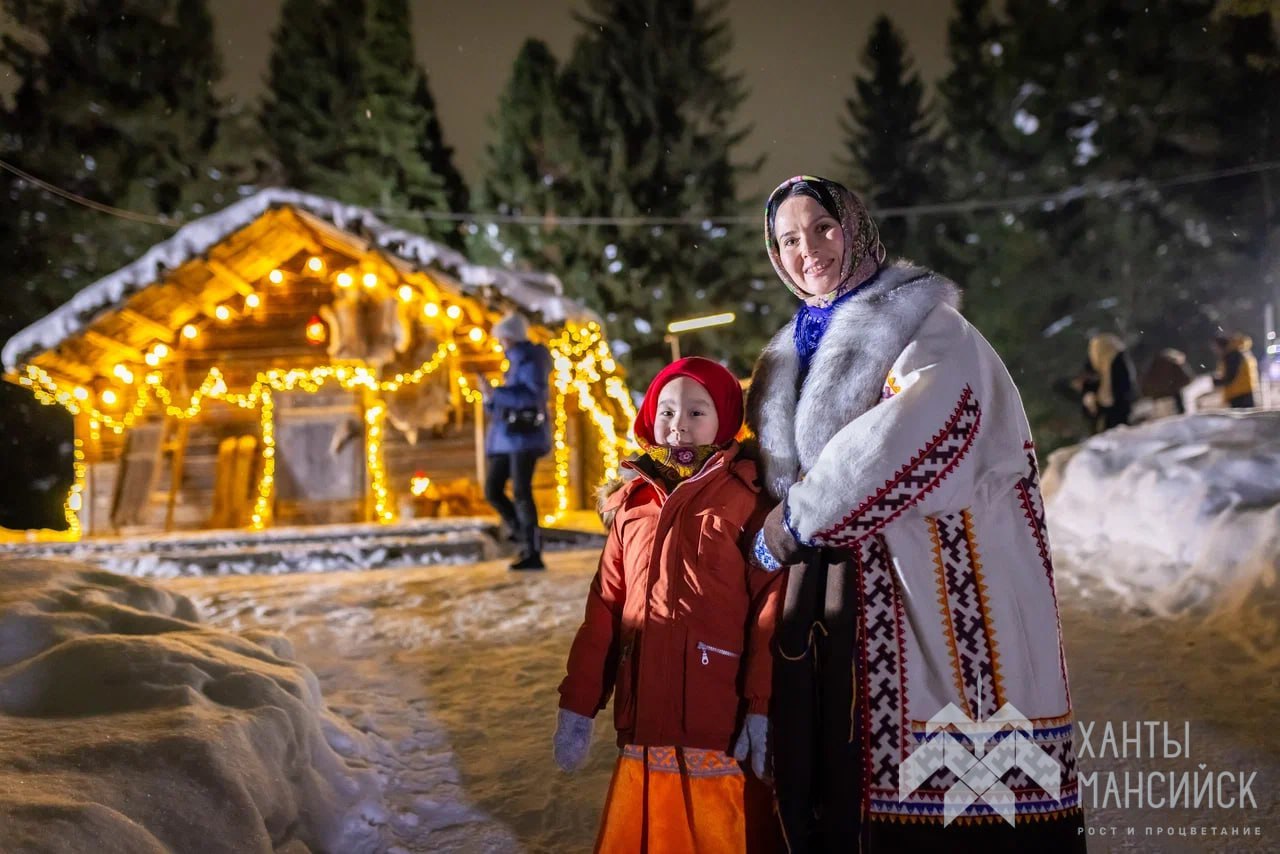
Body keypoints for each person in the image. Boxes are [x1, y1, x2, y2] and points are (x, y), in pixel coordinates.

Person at [747, 176, 1084, 852]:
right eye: (788, 239)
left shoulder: (926, 325)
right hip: (843, 605)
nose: (806, 249)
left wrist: (796, 521)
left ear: (856, 226)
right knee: (849, 787)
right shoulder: (789, 353)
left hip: (949, 591)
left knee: (967, 798)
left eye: (822, 227)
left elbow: (914, 432)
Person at [554, 357, 784, 854]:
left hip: (717, 717)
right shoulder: (631, 504)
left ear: (725, 421)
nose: (679, 423)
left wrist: (762, 706)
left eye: (697, 411)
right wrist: (578, 702)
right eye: (667, 409)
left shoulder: (747, 501)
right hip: (645, 714)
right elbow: (604, 610)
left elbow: (770, 610)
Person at [479, 311, 552, 570]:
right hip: (506, 438)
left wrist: (496, 393)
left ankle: (532, 551)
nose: (500, 344)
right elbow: (508, 400)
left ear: (509, 337)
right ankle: (524, 538)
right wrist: (491, 398)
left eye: (502, 339)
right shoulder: (515, 362)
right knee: (493, 490)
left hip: (524, 437)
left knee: (521, 492)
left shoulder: (532, 360)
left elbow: (532, 398)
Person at [1085, 332, 1137, 430]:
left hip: (1118, 405)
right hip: (1111, 406)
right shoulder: (1098, 368)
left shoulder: (1117, 360)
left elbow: (1123, 385)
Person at [1140, 348, 1194, 415]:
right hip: (1170, 393)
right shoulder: (1174, 363)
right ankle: (1181, 413)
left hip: (1156, 394)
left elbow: (1146, 381)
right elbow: (1186, 378)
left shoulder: (1155, 363)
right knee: (1178, 397)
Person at [1212, 333, 1259, 408]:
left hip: (1239, 395)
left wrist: (1215, 382)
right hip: (1245, 392)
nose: (1215, 350)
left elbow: (1231, 377)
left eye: (1215, 347)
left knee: (1242, 418)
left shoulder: (1232, 355)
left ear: (1221, 346)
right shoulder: (1239, 351)